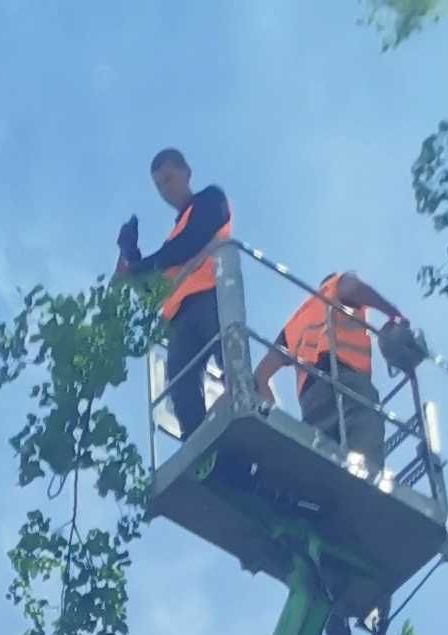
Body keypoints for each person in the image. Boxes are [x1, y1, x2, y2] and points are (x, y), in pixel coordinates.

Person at [115, 147, 233, 440]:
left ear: (186, 173)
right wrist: (131, 253)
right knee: (180, 387)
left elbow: (189, 244)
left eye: (168, 179)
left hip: (210, 297)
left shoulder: (210, 200)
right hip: (179, 318)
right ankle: (201, 447)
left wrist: (139, 266)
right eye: (158, 185)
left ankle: (247, 405)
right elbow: (152, 290)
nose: (164, 189)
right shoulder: (172, 236)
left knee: (231, 362)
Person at [255, 268, 416, 470]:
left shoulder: (296, 322)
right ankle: (366, 489)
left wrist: (271, 415)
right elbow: (354, 288)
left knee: (321, 458)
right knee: (366, 454)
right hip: (346, 383)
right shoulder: (336, 287)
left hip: (311, 398)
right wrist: (395, 314)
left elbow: (261, 375)